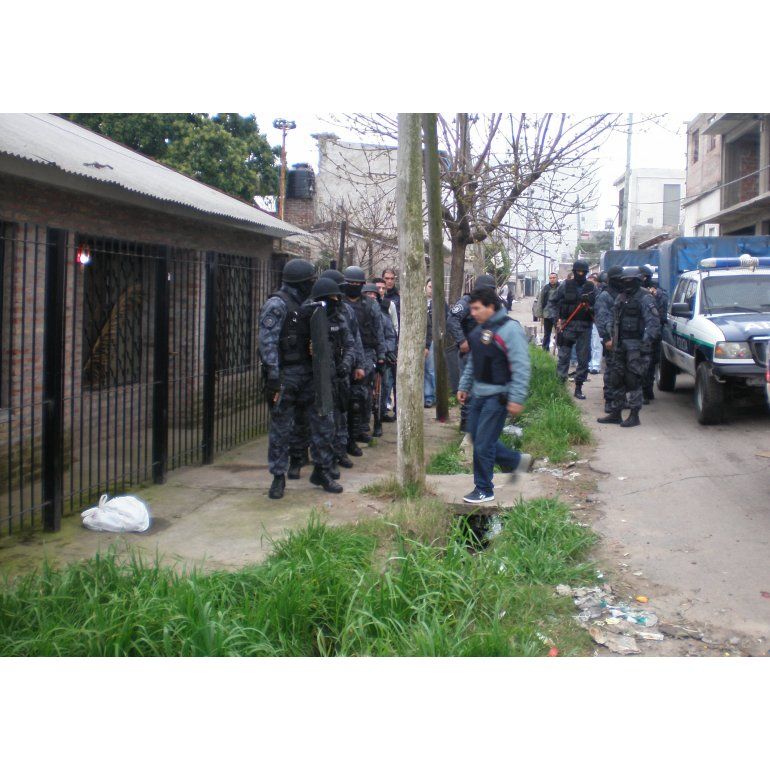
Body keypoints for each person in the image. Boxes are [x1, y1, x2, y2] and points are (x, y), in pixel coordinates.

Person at [258, 261, 346, 499]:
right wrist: (273, 377)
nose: (312, 284)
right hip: (286, 375)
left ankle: (322, 470)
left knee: (323, 422)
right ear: (300, 282)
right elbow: (267, 344)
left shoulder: (310, 304)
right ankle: (278, 476)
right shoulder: (276, 305)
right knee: (281, 428)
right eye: (310, 280)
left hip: (310, 374)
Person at [457, 287, 532, 504]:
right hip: (478, 394)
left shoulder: (510, 330)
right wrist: (464, 385)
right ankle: (516, 461)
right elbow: (475, 360)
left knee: (483, 444)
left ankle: (484, 489)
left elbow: (521, 366)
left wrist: (516, 398)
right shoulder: (483, 328)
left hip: (498, 396)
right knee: (476, 437)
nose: (472, 313)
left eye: (476, 308)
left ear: (490, 307)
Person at [597, 266, 661, 428]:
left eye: (630, 281)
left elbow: (653, 324)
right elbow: (614, 319)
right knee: (616, 379)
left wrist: (644, 345)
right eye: (624, 281)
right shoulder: (621, 297)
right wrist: (611, 337)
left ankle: (634, 415)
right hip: (620, 345)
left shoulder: (645, 298)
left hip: (636, 347)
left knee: (633, 381)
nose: (627, 284)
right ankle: (616, 413)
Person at [342, 265, 386, 446]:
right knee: (344, 393)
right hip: (344, 353)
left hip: (367, 352)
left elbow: (379, 330)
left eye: (357, 284)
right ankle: (345, 432)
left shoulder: (370, 304)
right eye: (350, 283)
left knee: (363, 394)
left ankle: (361, 428)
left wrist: (381, 355)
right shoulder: (340, 303)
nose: (353, 286)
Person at [446, 274, 497, 431]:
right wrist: (462, 341)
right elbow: (452, 319)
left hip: (486, 352)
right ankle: (466, 425)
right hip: (469, 352)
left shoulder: (492, 304)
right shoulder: (467, 302)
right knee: (467, 389)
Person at [547, 259, 596, 400]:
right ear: (574, 272)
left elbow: (599, 306)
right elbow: (552, 303)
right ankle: (560, 387)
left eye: (583, 272)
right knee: (564, 357)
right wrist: (556, 320)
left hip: (585, 328)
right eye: (578, 271)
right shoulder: (565, 285)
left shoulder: (591, 287)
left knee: (583, 359)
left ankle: (578, 387)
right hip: (568, 327)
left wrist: (591, 308)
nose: (580, 274)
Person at [363, 281, 397, 435]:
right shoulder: (357, 313)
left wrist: (386, 352)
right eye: (368, 294)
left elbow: (390, 335)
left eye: (374, 294)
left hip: (380, 356)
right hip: (363, 356)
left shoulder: (383, 315)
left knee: (381, 390)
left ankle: (379, 419)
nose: (371, 296)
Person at [594, 265, 624, 413]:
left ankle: (620, 399)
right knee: (611, 371)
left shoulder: (625, 293)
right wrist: (606, 339)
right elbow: (601, 319)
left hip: (625, 338)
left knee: (624, 371)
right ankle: (609, 400)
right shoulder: (605, 296)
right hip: (611, 339)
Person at [639, 265, 669, 404]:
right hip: (646, 332)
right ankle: (645, 391)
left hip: (652, 332)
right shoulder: (637, 292)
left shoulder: (656, 293)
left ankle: (646, 391)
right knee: (646, 363)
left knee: (649, 363)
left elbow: (661, 315)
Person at [374, 276, 398, 420]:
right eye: (378, 288)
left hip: (386, 350)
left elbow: (394, 328)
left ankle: (382, 411)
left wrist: (390, 349)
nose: (381, 290)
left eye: (383, 288)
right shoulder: (365, 304)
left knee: (385, 383)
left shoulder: (389, 305)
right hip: (368, 350)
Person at [537, 272, 559, 352]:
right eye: (550, 278)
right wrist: (540, 314)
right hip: (547, 314)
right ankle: (545, 350)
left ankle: (559, 350)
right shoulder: (545, 288)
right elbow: (540, 301)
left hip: (557, 315)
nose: (552, 279)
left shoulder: (561, 287)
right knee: (547, 333)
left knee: (559, 333)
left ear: (557, 278)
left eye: (554, 278)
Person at [588, 273, 604, 374]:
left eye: (592, 281)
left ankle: (596, 365)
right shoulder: (587, 292)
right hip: (588, 321)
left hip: (597, 321)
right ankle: (590, 364)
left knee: (596, 344)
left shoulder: (600, 293)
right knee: (590, 344)